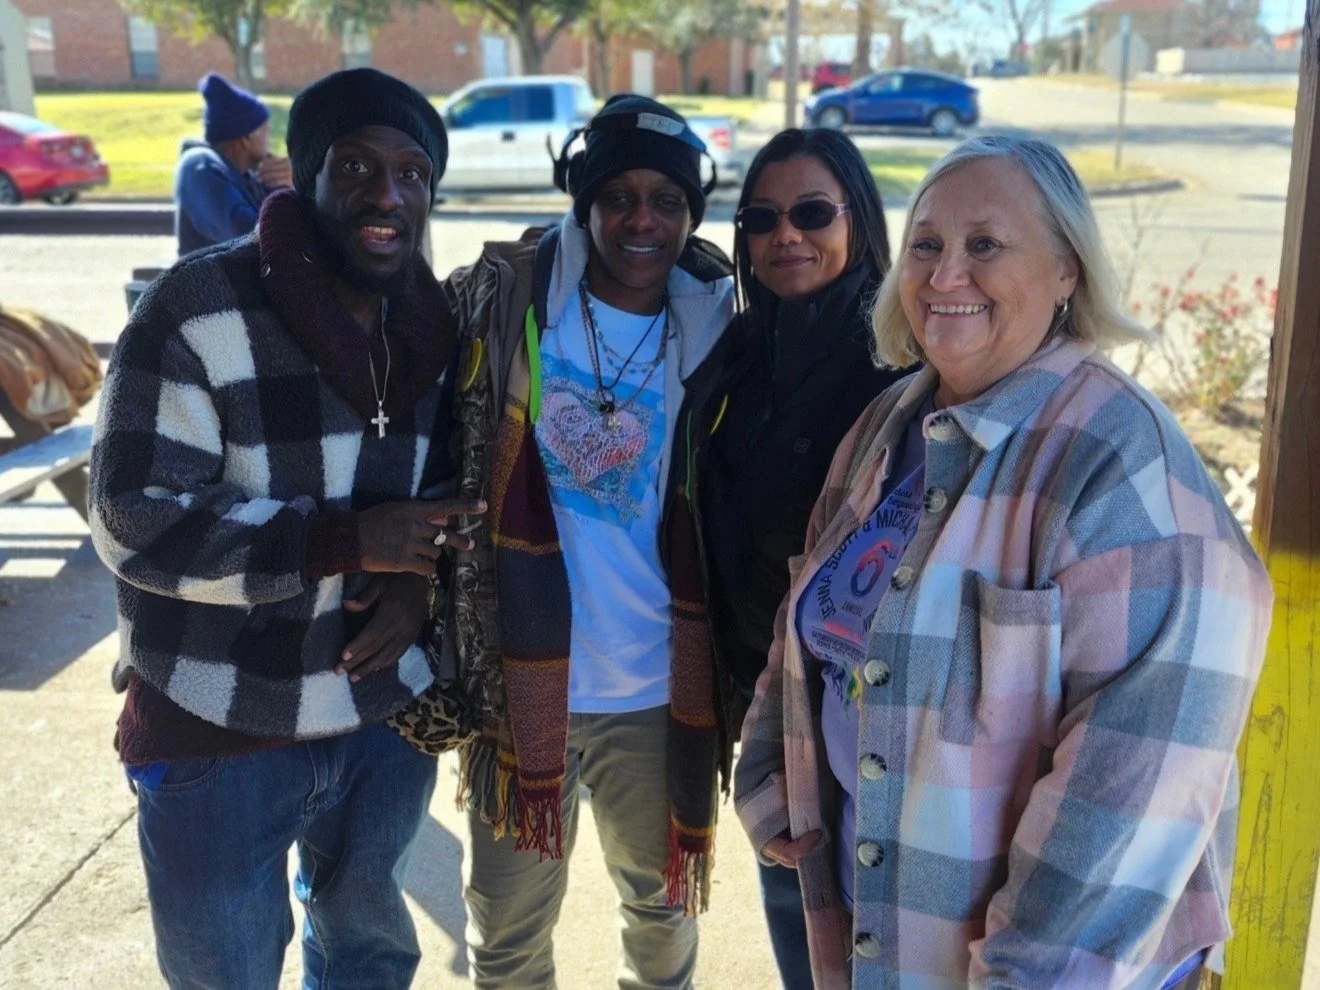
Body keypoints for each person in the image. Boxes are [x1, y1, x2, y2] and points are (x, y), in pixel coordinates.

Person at [734, 135, 1273, 989]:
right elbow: (809, 610)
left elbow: (1132, 793)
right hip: (871, 923)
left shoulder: (1124, 470)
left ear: (1066, 270)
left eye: (985, 244)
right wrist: (768, 774)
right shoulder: (888, 424)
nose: (946, 275)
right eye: (926, 245)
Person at [90, 68, 478, 989]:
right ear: (306, 177)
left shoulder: (433, 324)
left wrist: (416, 579)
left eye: (412, 173)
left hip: (380, 719)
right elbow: (134, 517)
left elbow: (451, 497)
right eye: (356, 166)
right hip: (216, 720)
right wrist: (347, 542)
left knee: (370, 958)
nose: (387, 195)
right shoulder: (198, 307)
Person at [405, 94, 736, 990]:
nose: (642, 220)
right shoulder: (504, 299)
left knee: (661, 912)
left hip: (655, 684)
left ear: (691, 213)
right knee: (507, 931)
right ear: (584, 203)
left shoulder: (716, 328)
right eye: (618, 196)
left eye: (666, 200)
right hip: (516, 678)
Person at [683, 128, 908, 989]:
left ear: (858, 220)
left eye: (812, 213)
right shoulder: (740, 352)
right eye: (761, 219)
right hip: (765, 701)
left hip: (868, 715)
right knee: (800, 926)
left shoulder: (904, 360)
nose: (786, 235)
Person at [174, 72, 294, 256]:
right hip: (210, 275)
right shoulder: (200, 166)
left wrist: (292, 184)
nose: (270, 140)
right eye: (266, 131)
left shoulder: (249, 175)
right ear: (247, 138)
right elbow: (248, 237)